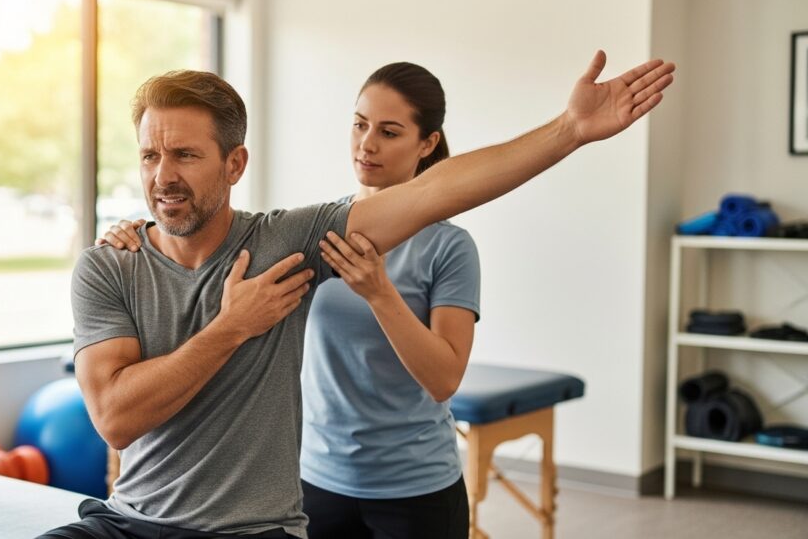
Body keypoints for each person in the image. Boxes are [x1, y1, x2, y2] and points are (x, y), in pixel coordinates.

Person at [41, 51, 674, 539]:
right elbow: (116, 419)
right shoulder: (108, 265)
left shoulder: (289, 243)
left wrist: (569, 129)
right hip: (135, 519)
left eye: (184, 154)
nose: (162, 176)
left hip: (263, 526)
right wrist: (231, 327)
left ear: (235, 164)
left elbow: (440, 192)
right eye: (150, 155)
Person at [104, 62, 477, 539]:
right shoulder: (320, 229)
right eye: (359, 124)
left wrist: (380, 293)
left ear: (427, 143)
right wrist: (138, 230)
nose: (367, 143)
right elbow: (203, 235)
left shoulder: (448, 247)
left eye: (389, 131)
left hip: (413, 485)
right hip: (318, 478)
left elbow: (444, 378)